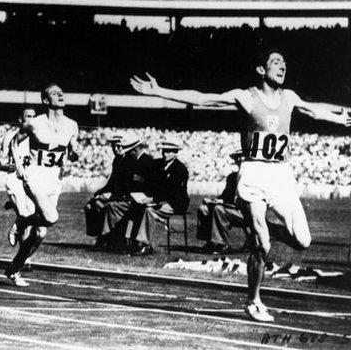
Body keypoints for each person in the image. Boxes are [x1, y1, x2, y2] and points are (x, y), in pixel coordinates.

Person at [130, 48, 351, 322]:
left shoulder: (289, 97)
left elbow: (315, 111)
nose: (282, 65)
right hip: (254, 174)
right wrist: (158, 91)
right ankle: (253, 300)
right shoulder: (246, 96)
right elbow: (205, 99)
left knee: (302, 241)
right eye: (275, 61)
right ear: (261, 69)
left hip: (281, 175)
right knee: (263, 246)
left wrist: (343, 117)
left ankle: (259, 233)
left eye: (284, 61)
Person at [5, 83, 80, 287]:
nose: (60, 95)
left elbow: (72, 151)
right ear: (46, 100)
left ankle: (13, 268)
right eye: (54, 93)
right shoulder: (35, 123)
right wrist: (19, 166)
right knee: (51, 217)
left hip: (55, 180)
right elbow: (14, 141)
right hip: (35, 176)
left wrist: (75, 153)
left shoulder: (72, 125)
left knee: (40, 233)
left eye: (61, 92)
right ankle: (21, 223)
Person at [128, 136, 189, 255]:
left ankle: (144, 244)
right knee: (137, 206)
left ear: (175, 153)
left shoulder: (181, 169)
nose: (164, 154)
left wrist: (154, 199)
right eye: (163, 151)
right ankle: (130, 241)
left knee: (149, 211)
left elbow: (173, 192)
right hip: (160, 200)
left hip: (175, 203)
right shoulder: (158, 165)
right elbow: (153, 185)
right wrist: (145, 196)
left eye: (168, 151)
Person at [0, 107, 35, 247]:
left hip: (31, 180)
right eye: (28, 116)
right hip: (14, 179)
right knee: (23, 215)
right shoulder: (10, 137)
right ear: (20, 119)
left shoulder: (38, 138)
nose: (31, 119)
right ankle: (25, 258)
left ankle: (15, 228)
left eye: (33, 116)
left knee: (32, 215)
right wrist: (9, 167)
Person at [197, 149, 246, 254]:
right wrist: (213, 200)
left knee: (218, 209)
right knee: (204, 209)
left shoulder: (251, 177)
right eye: (237, 157)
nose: (239, 159)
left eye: (242, 156)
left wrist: (221, 203)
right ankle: (210, 243)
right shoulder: (232, 177)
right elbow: (225, 196)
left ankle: (223, 244)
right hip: (231, 209)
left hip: (245, 212)